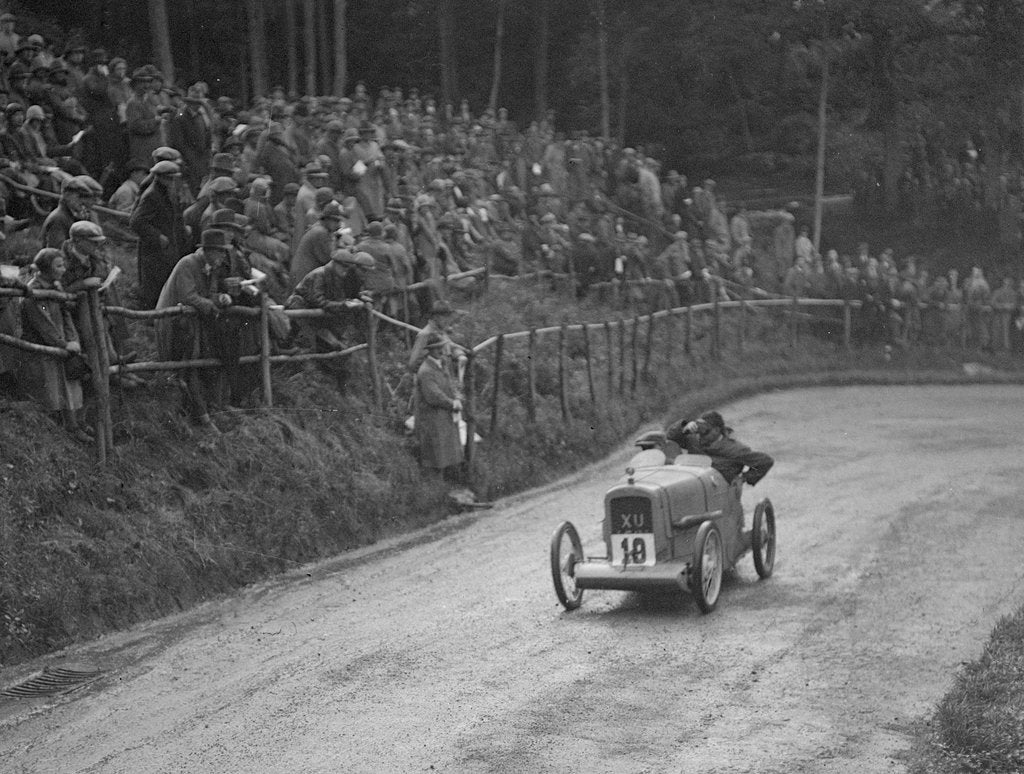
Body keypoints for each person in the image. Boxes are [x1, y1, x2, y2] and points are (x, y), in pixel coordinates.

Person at [19, 247, 91, 443]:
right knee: (52, 391)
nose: (63, 269)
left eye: (63, 264)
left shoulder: (56, 287)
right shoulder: (35, 292)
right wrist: (62, 344)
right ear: (45, 269)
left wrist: (73, 339)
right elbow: (43, 323)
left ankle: (75, 424)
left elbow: (66, 315)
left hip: (62, 344)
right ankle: (57, 432)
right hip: (43, 347)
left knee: (70, 385)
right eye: (58, 265)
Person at [665, 410, 773, 486]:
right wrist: (684, 426)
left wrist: (743, 478)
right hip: (694, 484)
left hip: (720, 493)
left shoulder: (735, 449)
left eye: (706, 432)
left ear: (717, 430)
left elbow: (765, 461)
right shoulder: (694, 440)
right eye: (700, 431)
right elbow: (670, 437)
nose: (702, 436)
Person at [413, 331, 463, 479]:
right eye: (436, 348)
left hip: (443, 416)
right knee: (437, 456)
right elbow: (433, 396)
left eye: (441, 347)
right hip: (432, 418)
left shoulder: (441, 365)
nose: (441, 351)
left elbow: (449, 385)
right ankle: (437, 487)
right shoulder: (426, 371)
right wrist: (452, 403)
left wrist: (457, 396)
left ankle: (450, 485)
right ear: (429, 350)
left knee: (448, 452)